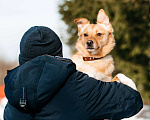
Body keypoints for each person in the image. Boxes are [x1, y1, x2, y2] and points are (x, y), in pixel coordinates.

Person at [4, 26, 143, 120]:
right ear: (58, 54)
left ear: (23, 59)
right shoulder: (80, 87)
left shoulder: (13, 96)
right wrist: (119, 81)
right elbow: (132, 100)